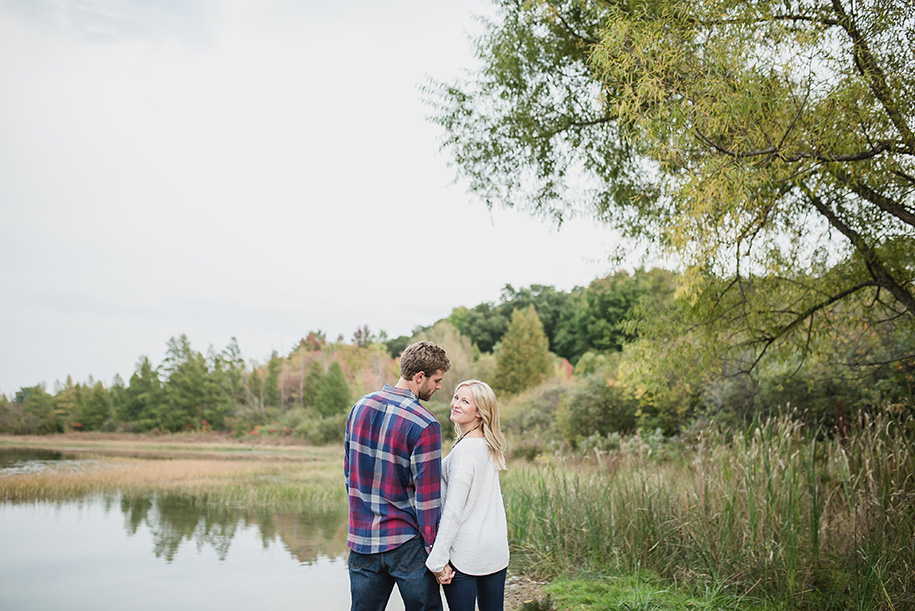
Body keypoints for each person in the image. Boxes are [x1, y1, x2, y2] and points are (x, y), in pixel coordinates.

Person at [344, 340, 452, 611]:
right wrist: (435, 554)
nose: (439, 387)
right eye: (437, 380)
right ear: (419, 377)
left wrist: (361, 518)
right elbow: (427, 500)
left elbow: (349, 472)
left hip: (362, 541)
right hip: (406, 544)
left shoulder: (360, 406)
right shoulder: (425, 424)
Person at [426, 379, 510, 611]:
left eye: (465, 401)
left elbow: (453, 511)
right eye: (456, 397)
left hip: (466, 554)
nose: (456, 404)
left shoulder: (465, 452)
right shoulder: (488, 445)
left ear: (481, 412)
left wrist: (437, 560)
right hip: (495, 550)